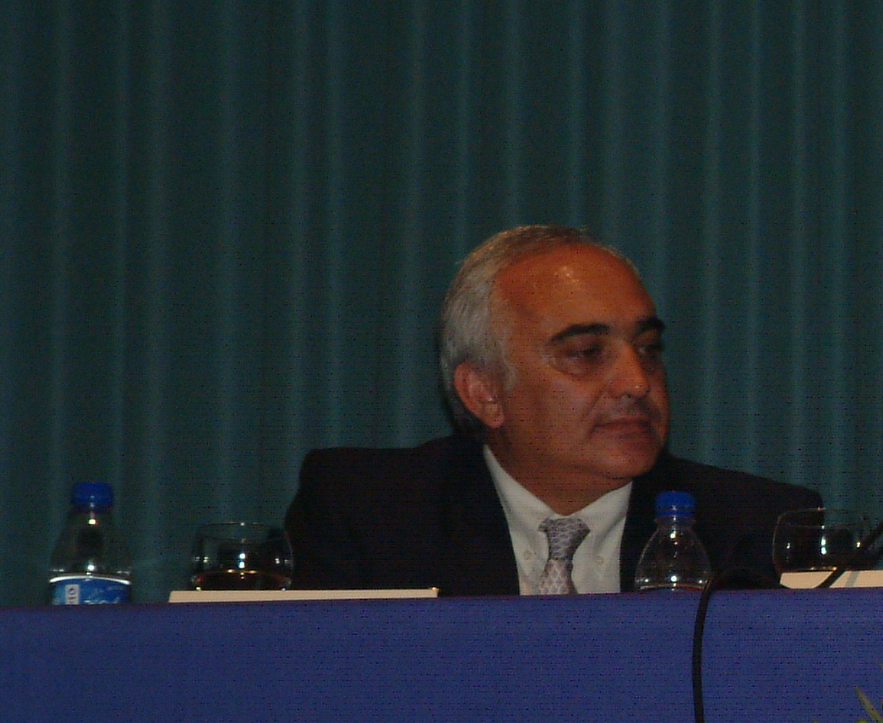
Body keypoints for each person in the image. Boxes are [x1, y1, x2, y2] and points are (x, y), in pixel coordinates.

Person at [286, 225, 818, 594]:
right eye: (586, 353)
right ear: (485, 393)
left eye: (648, 349)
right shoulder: (369, 515)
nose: (637, 381)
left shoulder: (757, 531)